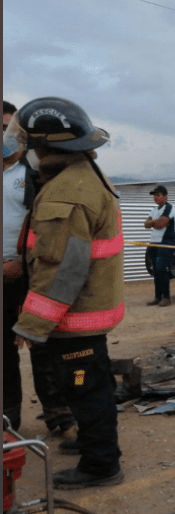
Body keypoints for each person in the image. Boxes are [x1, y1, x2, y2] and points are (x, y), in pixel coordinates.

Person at [5, 97, 124, 489]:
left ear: (46, 145)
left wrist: (31, 326)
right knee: (92, 385)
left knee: (86, 390)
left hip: (76, 317)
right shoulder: (80, 172)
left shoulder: (67, 192)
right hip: (87, 310)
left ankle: (101, 465)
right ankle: (95, 444)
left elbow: (62, 272)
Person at [4, 101, 78, 438]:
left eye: (8, 130)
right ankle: (8, 421)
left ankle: (59, 415)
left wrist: (19, 263)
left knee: (42, 344)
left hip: (31, 276)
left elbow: (48, 226)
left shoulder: (35, 174)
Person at [143, 184, 175, 307]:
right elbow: (146, 224)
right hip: (154, 243)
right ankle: (158, 297)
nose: (155, 198)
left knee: (162, 269)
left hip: (166, 242)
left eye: (158, 195)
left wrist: (153, 222)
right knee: (156, 270)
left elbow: (160, 224)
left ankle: (166, 297)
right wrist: (154, 222)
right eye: (154, 196)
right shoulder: (154, 209)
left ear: (165, 196)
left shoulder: (170, 208)